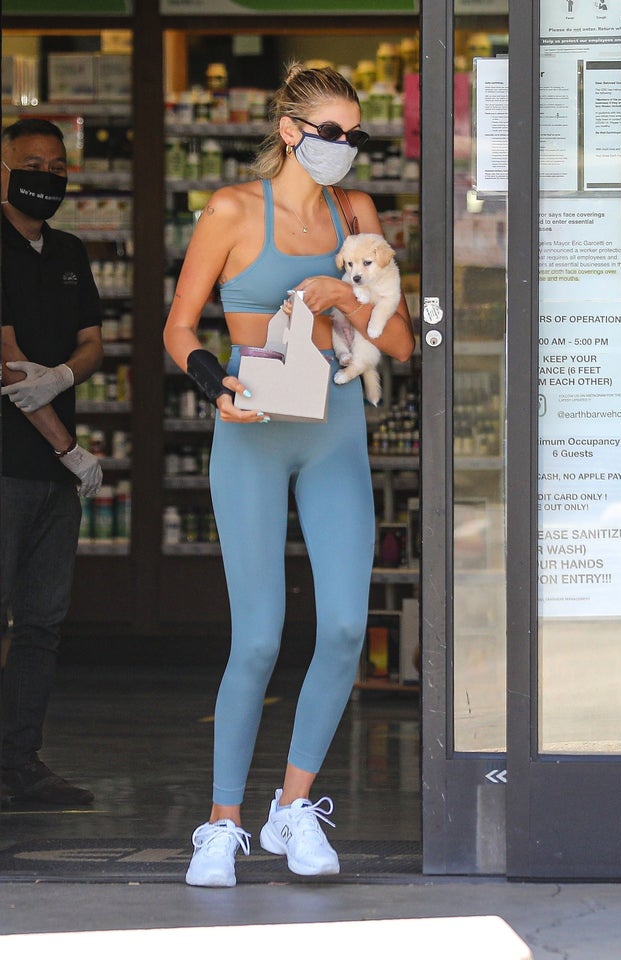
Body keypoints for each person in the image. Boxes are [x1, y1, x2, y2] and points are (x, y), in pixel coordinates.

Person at [163, 62, 415, 887]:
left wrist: (342, 304)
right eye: (332, 132)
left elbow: (403, 343)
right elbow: (177, 327)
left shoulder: (358, 215)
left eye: (355, 135)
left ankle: (293, 806)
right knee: (261, 635)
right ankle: (222, 821)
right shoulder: (235, 210)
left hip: (334, 430)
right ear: (290, 132)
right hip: (252, 428)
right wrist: (214, 385)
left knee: (345, 626)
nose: (345, 147)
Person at [1, 118, 103, 806]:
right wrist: (69, 449)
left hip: (52, 480)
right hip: (9, 466)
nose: (48, 175)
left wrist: (63, 376)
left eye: (59, 165)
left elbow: (94, 340)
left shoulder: (69, 250)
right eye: (33, 162)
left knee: (42, 623)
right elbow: (8, 363)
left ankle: (20, 762)